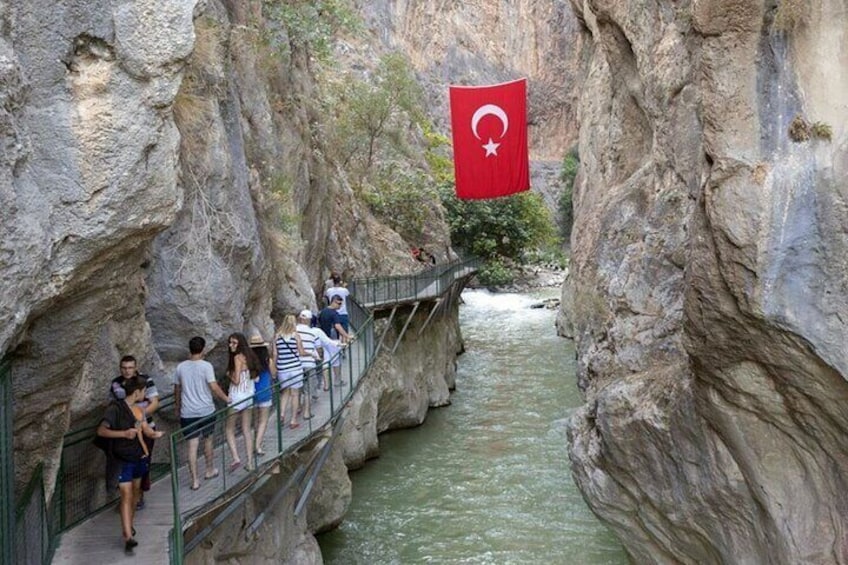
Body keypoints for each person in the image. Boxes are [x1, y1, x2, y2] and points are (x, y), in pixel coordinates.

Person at [96, 376, 164, 553]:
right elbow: (101, 430)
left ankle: (129, 526)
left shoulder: (139, 411)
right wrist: (123, 434)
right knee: (126, 494)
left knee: (135, 494)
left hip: (139, 457)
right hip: (122, 459)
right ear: (137, 392)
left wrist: (155, 435)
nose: (144, 395)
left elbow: (146, 430)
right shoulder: (114, 409)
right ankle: (128, 536)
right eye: (143, 392)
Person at [173, 336, 230, 491]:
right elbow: (213, 386)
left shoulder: (181, 367)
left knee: (192, 446)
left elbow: (177, 389)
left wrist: (177, 407)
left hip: (188, 412)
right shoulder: (206, 366)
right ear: (203, 349)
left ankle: (195, 481)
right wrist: (227, 399)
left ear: (189, 349)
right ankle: (209, 470)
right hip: (206, 410)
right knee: (208, 441)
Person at [108, 355, 159, 509]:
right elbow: (114, 406)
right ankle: (127, 498)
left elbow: (155, 402)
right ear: (120, 368)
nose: (127, 371)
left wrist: (139, 419)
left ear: (136, 368)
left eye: (130, 367)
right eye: (124, 368)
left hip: (145, 427)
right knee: (125, 464)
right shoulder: (116, 384)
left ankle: (139, 496)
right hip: (125, 431)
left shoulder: (145, 380)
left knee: (143, 463)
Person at [224, 333, 259, 472]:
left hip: (237, 397)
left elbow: (237, 380)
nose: (231, 345)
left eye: (234, 343)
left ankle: (236, 458)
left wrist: (228, 375)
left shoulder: (237, 358)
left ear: (240, 344)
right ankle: (250, 462)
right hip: (248, 396)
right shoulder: (250, 357)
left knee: (229, 429)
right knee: (246, 430)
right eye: (230, 342)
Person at [297, 310, 340, 413]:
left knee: (297, 386)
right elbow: (319, 346)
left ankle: (297, 406)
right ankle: (307, 412)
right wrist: (319, 356)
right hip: (309, 362)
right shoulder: (313, 332)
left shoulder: (293, 331)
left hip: (296, 363)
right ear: (309, 320)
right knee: (309, 388)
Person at [273, 314, 306, 429]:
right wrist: (310, 353)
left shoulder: (277, 337)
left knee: (285, 393)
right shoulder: (296, 336)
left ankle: (281, 415)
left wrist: (276, 368)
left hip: (283, 368)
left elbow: (275, 354)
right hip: (295, 368)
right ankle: (293, 420)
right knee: (295, 394)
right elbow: (301, 352)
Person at [317, 296, 351, 389]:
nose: (340, 306)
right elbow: (338, 326)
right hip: (333, 340)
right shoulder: (334, 313)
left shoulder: (322, 312)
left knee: (326, 361)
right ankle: (337, 381)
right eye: (339, 303)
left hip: (324, 339)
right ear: (334, 302)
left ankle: (326, 385)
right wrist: (347, 336)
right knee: (336, 361)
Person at [249, 334, 273, 457]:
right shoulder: (267, 360)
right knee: (263, 420)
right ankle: (258, 446)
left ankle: (255, 442)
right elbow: (274, 373)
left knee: (256, 420)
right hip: (265, 391)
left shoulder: (248, 361)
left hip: (251, 393)